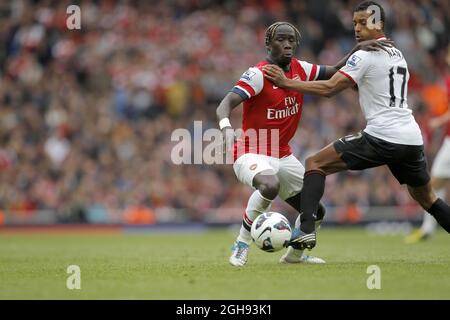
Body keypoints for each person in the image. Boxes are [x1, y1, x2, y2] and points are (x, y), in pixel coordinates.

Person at [263, 1, 450, 251]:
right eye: (355, 23)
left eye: (364, 22)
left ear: (379, 24)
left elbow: (330, 89)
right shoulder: (397, 52)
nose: (357, 28)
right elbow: (361, 82)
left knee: (314, 163)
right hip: (411, 138)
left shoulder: (365, 55)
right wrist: (352, 56)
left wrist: (287, 83)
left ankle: (305, 230)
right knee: (427, 198)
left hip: (382, 136)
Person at [216, 21, 391, 266]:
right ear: (268, 43)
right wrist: (225, 128)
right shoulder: (258, 74)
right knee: (269, 185)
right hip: (250, 150)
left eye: (291, 40)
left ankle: (294, 257)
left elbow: (334, 70)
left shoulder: (301, 69)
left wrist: (358, 49)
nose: (287, 44)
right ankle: (242, 243)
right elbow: (225, 103)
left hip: (284, 155)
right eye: (280, 39)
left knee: (315, 211)